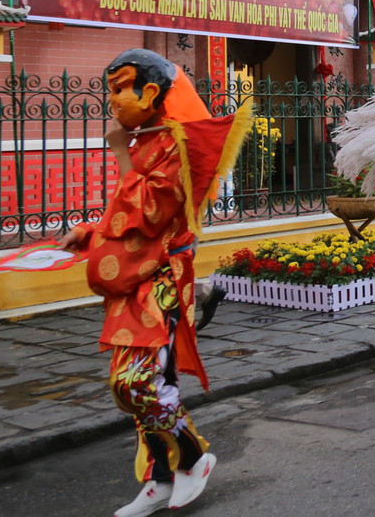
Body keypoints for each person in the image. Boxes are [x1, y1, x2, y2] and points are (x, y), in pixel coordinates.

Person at [55, 50, 244, 517]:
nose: (114, 99)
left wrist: (119, 150)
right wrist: (89, 235)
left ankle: (195, 459)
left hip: (160, 281)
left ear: (152, 92)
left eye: (121, 88)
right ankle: (160, 478)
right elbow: (127, 215)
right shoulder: (147, 142)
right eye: (112, 89)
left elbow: (148, 211)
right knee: (130, 388)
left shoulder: (177, 144)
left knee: (141, 382)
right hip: (135, 282)